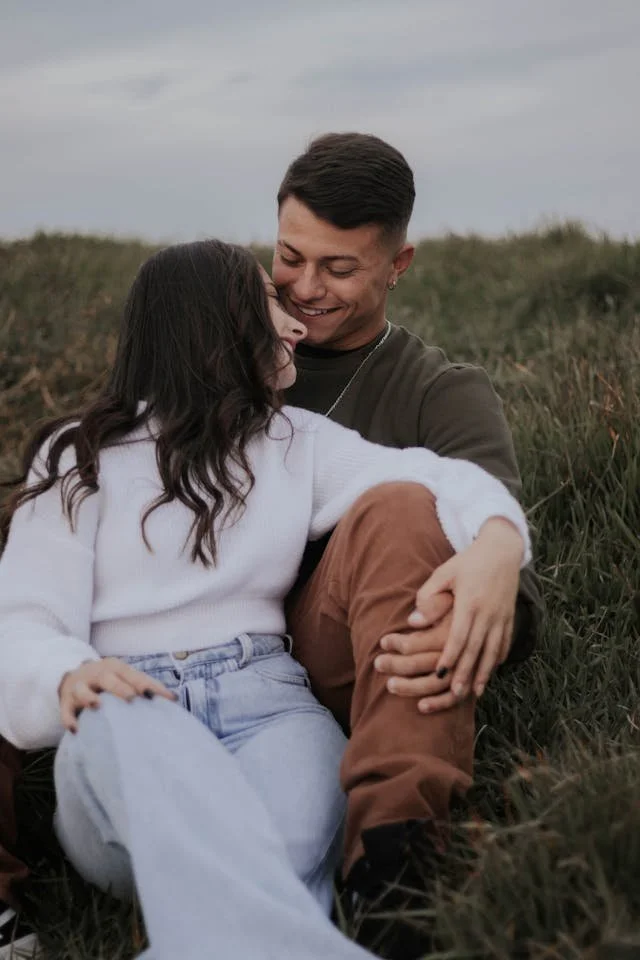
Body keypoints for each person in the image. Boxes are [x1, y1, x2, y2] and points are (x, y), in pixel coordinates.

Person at [0, 240, 530, 960]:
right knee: (148, 748)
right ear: (212, 328)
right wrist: (66, 674)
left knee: (288, 832)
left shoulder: (292, 442)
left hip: (271, 704)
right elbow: (24, 612)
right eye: (271, 306)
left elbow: (432, 480)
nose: (296, 327)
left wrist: (500, 540)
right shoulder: (79, 455)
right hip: (128, 706)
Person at [277, 132, 544, 896]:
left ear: (398, 266)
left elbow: (510, 592)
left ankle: (396, 864)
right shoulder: (222, 347)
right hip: (201, 636)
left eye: (339, 267)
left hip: (350, 654)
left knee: (400, 510)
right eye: (291, 256)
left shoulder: (442, 390)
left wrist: (493, 570)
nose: (305, 287)